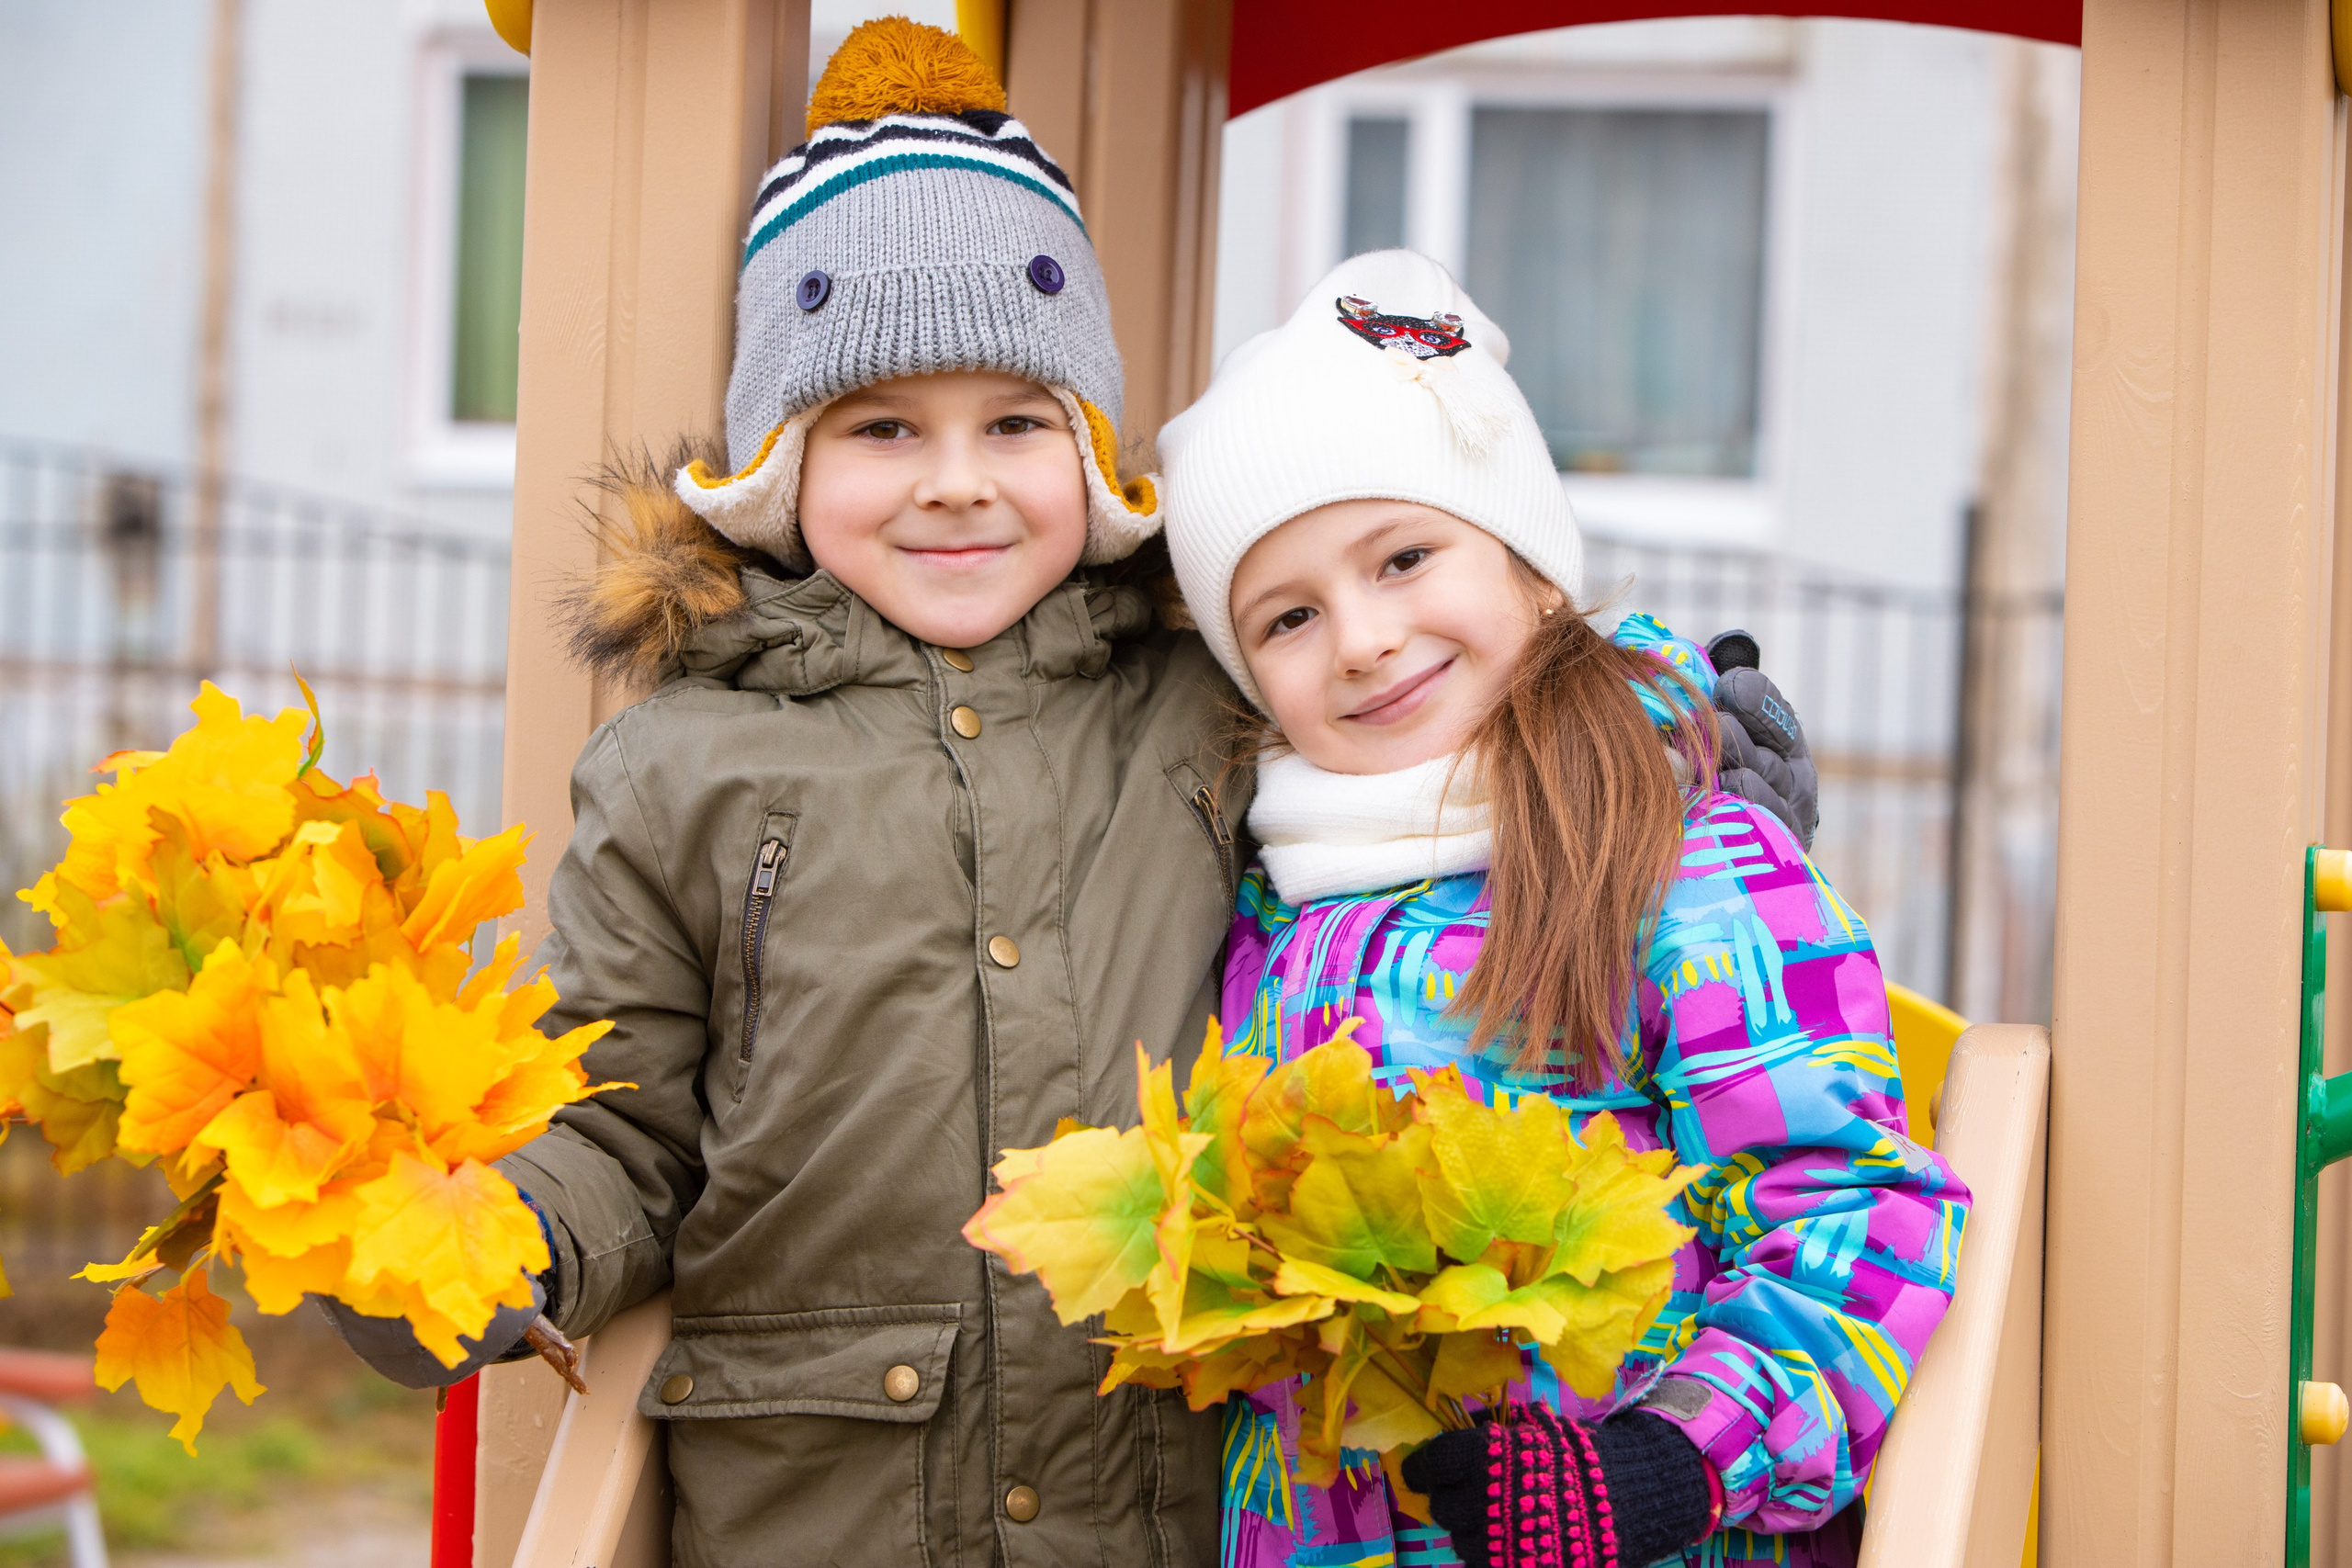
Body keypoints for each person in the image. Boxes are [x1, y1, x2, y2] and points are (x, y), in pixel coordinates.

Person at [324, 27, 1819, 1566]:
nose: (958, 479)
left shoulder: (1206, 705)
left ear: (1093, 452)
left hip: (1165, 1506)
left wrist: (1665, 736)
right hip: (825, 1513)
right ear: (783, 460)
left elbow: (1465, 753)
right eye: (884, 425)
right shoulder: (688, 766)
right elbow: (625, 1124)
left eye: (1017, 423)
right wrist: (476, 1246)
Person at [1156, 248, 1969, 1568]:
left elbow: (1850, 1204)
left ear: (1532, 565)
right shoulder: (1271, 905)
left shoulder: (1681, 855)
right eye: (1289, 616)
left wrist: (1671, 1461)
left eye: (1405, 555)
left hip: (1624, 1528)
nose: (1360, 637)